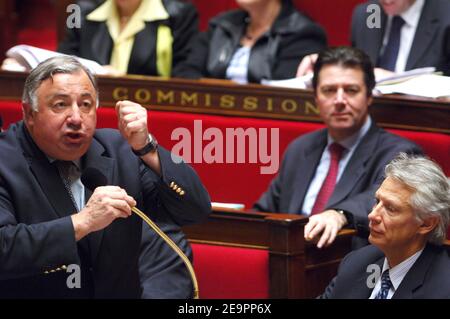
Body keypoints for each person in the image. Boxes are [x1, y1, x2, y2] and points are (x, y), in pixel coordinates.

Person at [0, 56, 211, 298]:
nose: (77, 118)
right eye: (60, 105)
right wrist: (82, 223)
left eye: (86, 105)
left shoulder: (117, 150)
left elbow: (195, 209)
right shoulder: (5, 160)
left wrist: (147, 148)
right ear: (29, 113)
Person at [254, 46, 422, 249]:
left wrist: (339, 214)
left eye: (351, 90)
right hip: (290, 263)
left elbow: (382, 201)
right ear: (316, 98)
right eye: (329, 90)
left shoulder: (400, 154)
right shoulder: (300, 149)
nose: (340, 100)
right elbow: (266, 211)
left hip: (352, 270)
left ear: (369, 96)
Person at [320, 153, 450, 299]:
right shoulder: (357, 262)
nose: (372, 215)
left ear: (426, 223)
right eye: (377, 201)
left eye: (390, 208)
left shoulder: (443, 288)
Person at [174, 0, 326, 84]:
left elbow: (280, 91)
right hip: (210, 115)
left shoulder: (303, 33)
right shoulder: (222, 25)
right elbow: (185, 71)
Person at [297, 0, 450, 78]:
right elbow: (358, 64)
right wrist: (325, 63)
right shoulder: (371, 13)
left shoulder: (445, 15)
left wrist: (398, 80)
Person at [57, 0, 199, 77]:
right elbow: (62, 62)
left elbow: (185, 73)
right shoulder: (81, 11)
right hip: (91, 106)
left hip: (149, 109)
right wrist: (95, 72)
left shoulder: (179, 14)